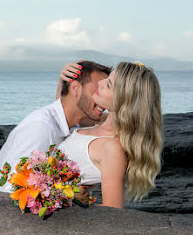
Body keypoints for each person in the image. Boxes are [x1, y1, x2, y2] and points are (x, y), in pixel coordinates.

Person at [0, 61, 112, 192]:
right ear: (75, 89)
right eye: (97, 90)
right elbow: (11, 186)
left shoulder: (75, 123)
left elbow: (117, 119)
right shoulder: (41, 128)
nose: (102, 99)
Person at [58, 61, 163, 208]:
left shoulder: (113, 148)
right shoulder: (94, 121)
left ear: (124, 100)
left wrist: (72, 201)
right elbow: (60, 117)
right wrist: (63, 81)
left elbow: (113, 211)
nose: (100, 82)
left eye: (108, 84)